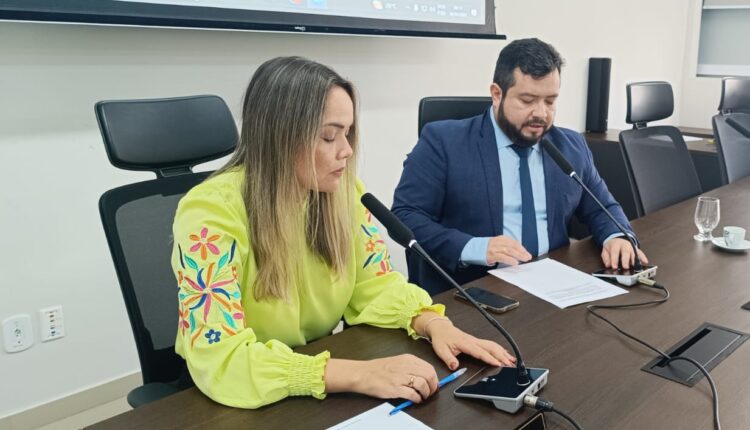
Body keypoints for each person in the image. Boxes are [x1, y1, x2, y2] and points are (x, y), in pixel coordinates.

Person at [171, 56, 515, 409]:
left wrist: (433, 323)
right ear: (279, 138)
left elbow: (375, 286)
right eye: (328, 136)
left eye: (347, 133)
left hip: (311, 379)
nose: (347, 150)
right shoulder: (210, 212)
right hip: (237, 395)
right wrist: (362, 374)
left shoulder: (343, 193)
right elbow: (222, 358)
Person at [392, 38, 649, 295]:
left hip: (554, 283)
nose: (541, 113)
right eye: (527, 100)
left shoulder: (570, 146)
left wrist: (617, 237)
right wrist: (475, 247)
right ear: (497, 94)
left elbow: (603, 207)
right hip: (475, 290)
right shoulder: (444, 142)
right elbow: (406, 215)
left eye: (550, 101)